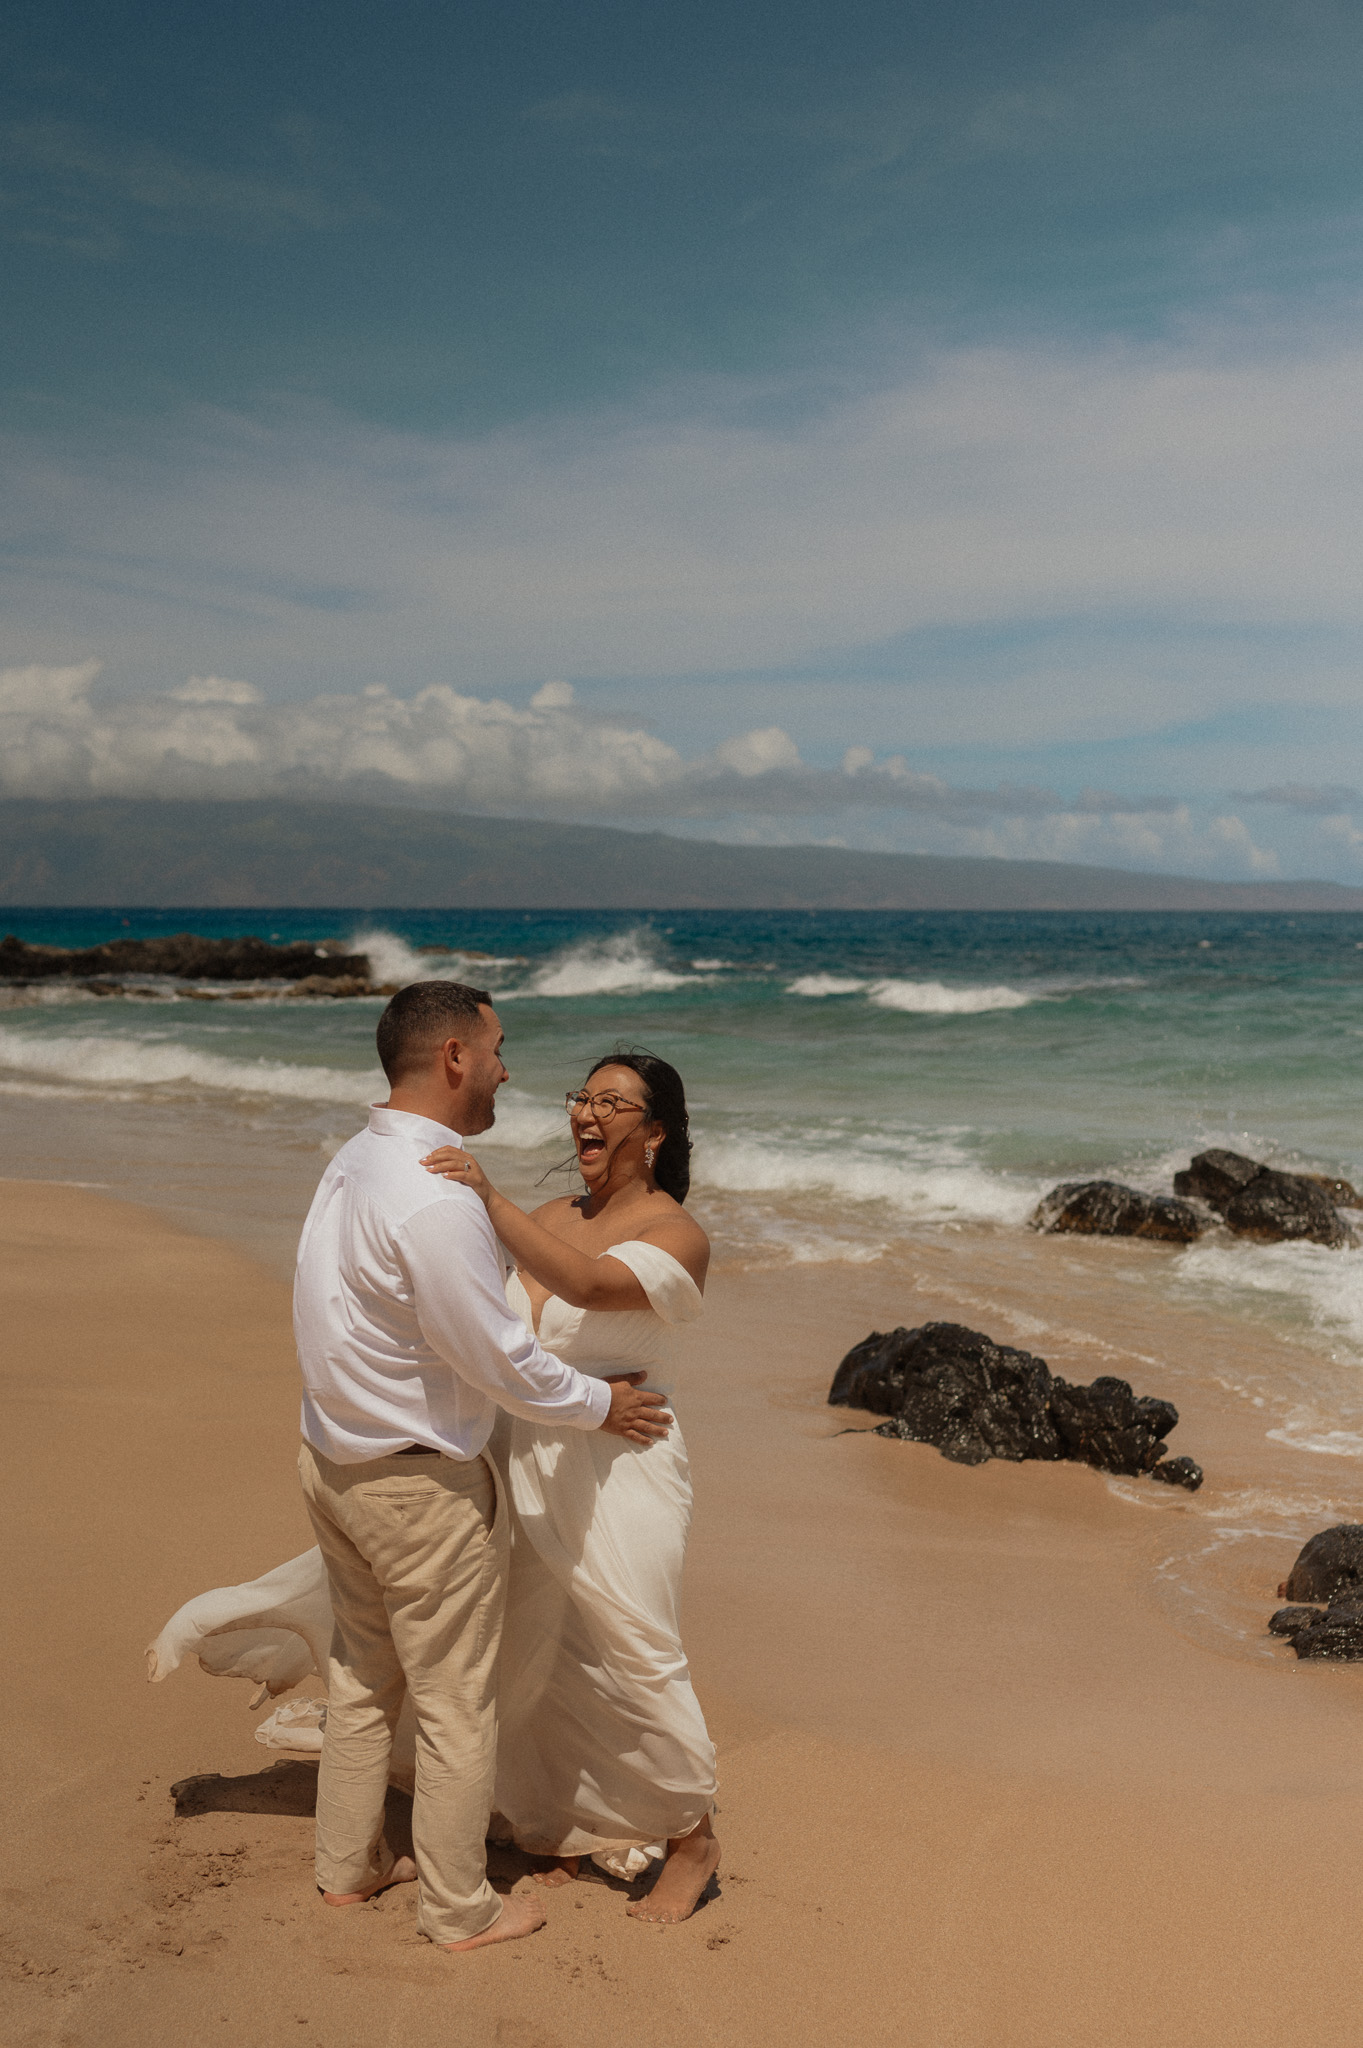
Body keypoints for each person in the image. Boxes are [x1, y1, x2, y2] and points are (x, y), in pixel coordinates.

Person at [293, 981, 672, 1953]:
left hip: (332, 1460)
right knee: (459, 1703)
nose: (510, 1068)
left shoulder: (353, 1161)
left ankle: (348, 1866)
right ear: (455, 1056)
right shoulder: (433, 1193)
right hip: (415, 1484)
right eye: (499, 1048)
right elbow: (499, 1358)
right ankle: (459, 1905)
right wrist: (602, 1403)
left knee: (363, 1675)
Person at [420, 1047, 721, 1924]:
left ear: (655, 1132)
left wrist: (486, 1196)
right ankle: (550, 1817)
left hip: (623, 1460)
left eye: (612, 1103)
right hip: (523, 1450)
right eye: (581, 1098)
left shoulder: (677, 1236)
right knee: (533, 1643)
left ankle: (694, 1839)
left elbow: (584, 1282)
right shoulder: (552, 1211)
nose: (587, 1114)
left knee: (633, 1642)